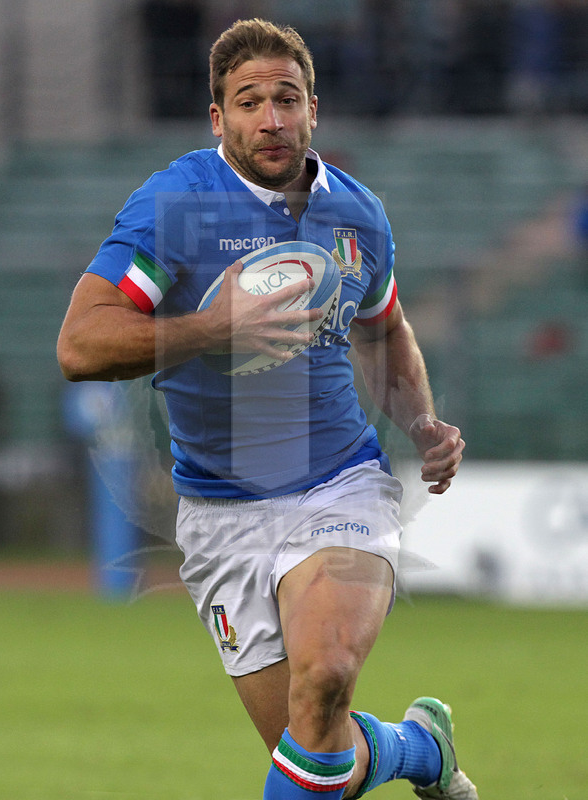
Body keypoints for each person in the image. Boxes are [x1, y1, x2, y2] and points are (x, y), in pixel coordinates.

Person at [57, 18, 476, 800]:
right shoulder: (176, 205)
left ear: (313, 108)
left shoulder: (358, 214)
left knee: (325, 679)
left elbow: (384, 328)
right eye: (250, 103)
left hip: (338, 485)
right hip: (219, 514)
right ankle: (421, 748)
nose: (271, 119)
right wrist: (213, 327)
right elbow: (80, 345)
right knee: (321, 754)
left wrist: (419, 419)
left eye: (287, 99)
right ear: (219, 119)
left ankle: (402, 743)